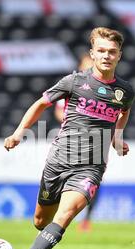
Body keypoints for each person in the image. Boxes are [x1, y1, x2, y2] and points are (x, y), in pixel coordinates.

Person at [4, 27, 135, 249]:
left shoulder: (125, 91)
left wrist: (117, 138)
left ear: (119, 55)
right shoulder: (74, 82)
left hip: (92, 167)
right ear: (92, 54)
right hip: (59, 160)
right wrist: (19, 132)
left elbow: (124, 111)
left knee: (64, 217)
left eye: (112, 52)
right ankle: (37, 247)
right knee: (41, 221)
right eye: (101, 51)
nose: (106, 56)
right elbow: (42, 103)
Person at [53, 53, 97, 233]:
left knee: (92, 181)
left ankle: (86, 218)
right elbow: (58, 111)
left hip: (94, 141)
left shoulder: (101, 89)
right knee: (62, 177)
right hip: (70, 139)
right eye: (85, 65)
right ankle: (57, 214)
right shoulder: (72, 84)